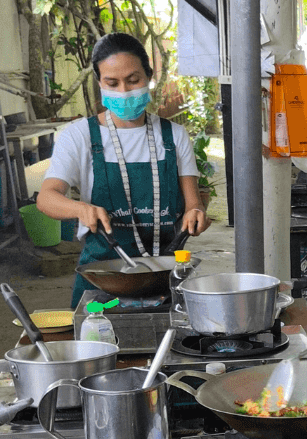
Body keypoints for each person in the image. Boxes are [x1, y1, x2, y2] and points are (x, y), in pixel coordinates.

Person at [37, 32, 209, 308]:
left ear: (149, 76)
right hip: (104, 278)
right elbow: (46, 198)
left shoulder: (174, 136)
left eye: (133, 80)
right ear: (100, 84)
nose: (124, 92)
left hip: (164, 275)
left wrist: (197, 215)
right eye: (112, 83)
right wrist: (81, 209)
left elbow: (194, 205)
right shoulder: (80, 135)